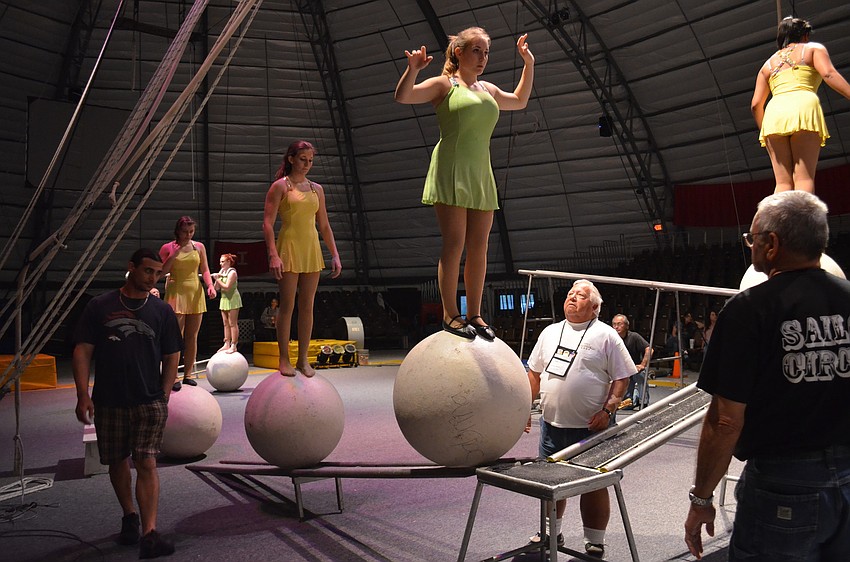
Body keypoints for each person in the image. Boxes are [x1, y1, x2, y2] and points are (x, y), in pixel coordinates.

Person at [684, 191, 850, 561]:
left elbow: (725, 421)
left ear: (772, 244)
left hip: (785, 485)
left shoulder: (747, 311)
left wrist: (702, 498)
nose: (750, 245)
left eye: (752, 238)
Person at [394, 27, 534, 341]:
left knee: (480, 248)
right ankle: (450, 314)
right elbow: (403, 96)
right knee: (454, 244)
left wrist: (528, 64)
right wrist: (412, 69)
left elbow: (520, 100)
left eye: (486, 52)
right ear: (459, 52)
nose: (482, 58)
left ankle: (475, 314)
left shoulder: (489, 89)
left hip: (481, 172)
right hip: (452, 167)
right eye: (476, 51)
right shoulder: (444, 84)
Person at [72, 248, 182, 559]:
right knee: (117, 460)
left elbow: (172, 354)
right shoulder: (99, 306)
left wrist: (164, 394)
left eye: (157, 273)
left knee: (146, 462)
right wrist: (82, 394)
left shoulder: (161, 311)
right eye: (148, 271)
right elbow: (82, 350)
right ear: (131, 268)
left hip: (148, 401)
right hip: (109, 401)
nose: (152, 278)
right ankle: (129, 516)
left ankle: (149, 533)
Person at [525, 280, 635, 558]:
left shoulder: (606, 334)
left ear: (595, 307)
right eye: (570, 294)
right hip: (551, 426)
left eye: (581, 295)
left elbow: (623, 375)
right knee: (550, 484)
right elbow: (534, 373)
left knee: (594, 486)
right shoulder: (550, 332)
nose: (572, 298)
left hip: (591, 429)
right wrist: (524, 407)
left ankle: (595, 540)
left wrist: (608, 410)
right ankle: (551, 532)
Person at [263, 140, 342, 377]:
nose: (307, 164)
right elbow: (267, 223)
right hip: (288, 247)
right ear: (291, 159)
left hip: (311, 248)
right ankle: (284, 359)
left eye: (310, 160)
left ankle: (303, 359)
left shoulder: (317, 189)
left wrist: (335, 254)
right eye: (302, 159)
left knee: (308, 306)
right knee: (287, 306)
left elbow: (325, 226)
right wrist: (273, 254)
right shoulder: (280, 187)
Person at [751, 16, 850, 193]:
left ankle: (777, 221)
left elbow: (756, 104)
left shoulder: (767, 65)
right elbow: (828, 74)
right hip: (803, 108)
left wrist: (765, 131)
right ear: (804, 36)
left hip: (774, 116)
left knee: (782, 184)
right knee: (803, 178)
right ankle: (803, 221)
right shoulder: (813, 49)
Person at [159, 216, 215, 390]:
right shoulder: (168, 247)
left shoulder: (199, 247)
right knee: (175, 337)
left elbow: (205, 269)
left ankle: (189, 374)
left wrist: (210, 285)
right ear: (178, 231)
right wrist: (174, 254)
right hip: (176, 292)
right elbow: (161, 272)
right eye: (185, 232)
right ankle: (172, 375)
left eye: (191, 231)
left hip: (195, 292)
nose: (188, 235)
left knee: (192, 336)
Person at [611, 314, 651, 409]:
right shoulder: (611, 338)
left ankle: (643, 402)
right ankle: (635, 397)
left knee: (641, 375)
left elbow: (649, 349)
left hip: (635, 369)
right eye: (614, 324)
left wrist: (642, 365)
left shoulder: (634, 336)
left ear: (627, 326)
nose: (616, 327)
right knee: (626, 406)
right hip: (621, 371)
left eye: (619, 324)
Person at [212, 253, 242, 354]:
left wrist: (217, 279)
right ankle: (226, 343)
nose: (221, 264)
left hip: (233, 298)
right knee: (225, 323)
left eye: (223, 261)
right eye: (220, 262)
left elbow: (227, 286)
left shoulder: (232, 272)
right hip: (224, 299)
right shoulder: (222, 271)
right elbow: (216, 288)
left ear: (229, 262)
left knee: (232, 323)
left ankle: (234, 344)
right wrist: (217, 279)